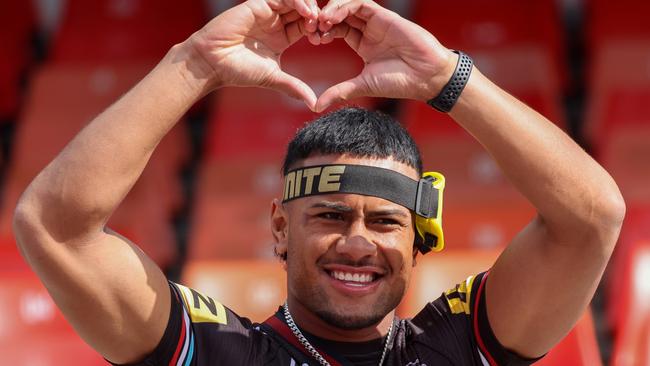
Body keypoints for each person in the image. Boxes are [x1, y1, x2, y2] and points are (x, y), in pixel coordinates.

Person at [13, 0, 625, 365]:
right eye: (330, 215)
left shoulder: (457, 348)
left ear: (419, 237)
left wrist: (446, 77)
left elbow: (592, 218)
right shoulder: (217, 351)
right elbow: (55, 227)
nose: (357, 242)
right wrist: (193, 65)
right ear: (280, 229)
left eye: (385, 220)